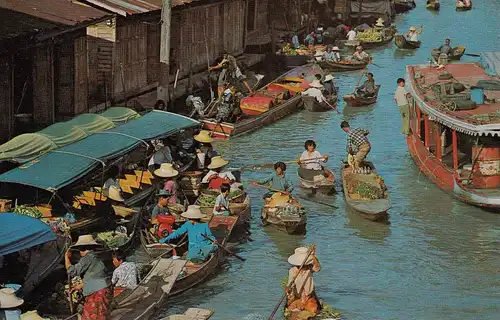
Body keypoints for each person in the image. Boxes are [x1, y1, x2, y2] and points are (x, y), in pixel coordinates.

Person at [65, 235, 111, 320]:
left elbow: (72, 271)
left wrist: (66, 258)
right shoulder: (95, 256)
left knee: (93, 316)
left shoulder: (87, 258)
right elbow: (93, 275)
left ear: (82, 249)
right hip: (104, 288)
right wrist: (78, 286)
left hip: (98, 292)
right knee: (101, 314)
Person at [285, 246, 321, 317]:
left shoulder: (309, 268)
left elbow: (317, 268)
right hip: (298, 297)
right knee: (291, 310)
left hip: (308, 297)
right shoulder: (292, 271)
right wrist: (288, 288)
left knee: (313, 309)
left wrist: (312, 256)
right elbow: (290, 284)